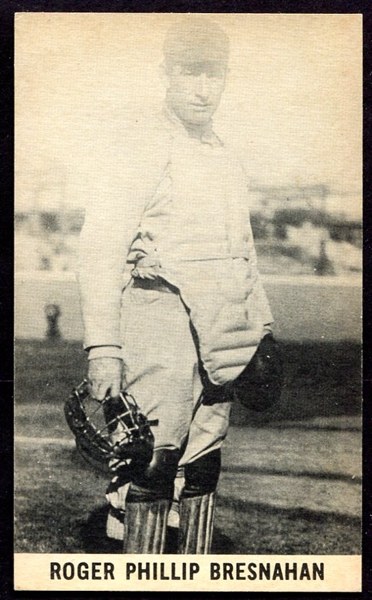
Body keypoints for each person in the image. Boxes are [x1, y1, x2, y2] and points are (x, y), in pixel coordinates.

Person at [78, 16, 273, 554]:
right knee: (152, 463)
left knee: (205, 465)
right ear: (167, 73)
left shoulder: (225, 156)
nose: (203, 88)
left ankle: (195, 576)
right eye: (191, 73)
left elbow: (245, 253)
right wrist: (104, 348)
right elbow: (99, 251)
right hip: (158, 319)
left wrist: (263, 328)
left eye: (214, 74)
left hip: (223, 329)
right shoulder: (137, 146)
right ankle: (139, 574)